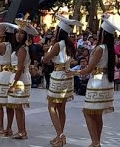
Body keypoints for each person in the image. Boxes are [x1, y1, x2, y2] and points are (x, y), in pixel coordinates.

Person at [67, 15, 120, 147]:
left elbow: (89, 68)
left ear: (103, 33)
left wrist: (74, 72)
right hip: (106, 82)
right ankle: (97, 141)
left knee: (88, 112)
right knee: (97, 114)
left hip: (97, 82)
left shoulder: (100, 48)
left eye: (99, 31)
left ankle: (95, 142)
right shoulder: (110, 48)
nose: (97, 33)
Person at [42, 14, 83, 146]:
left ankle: (60, 136)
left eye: (55, 30)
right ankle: (60, 135)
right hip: (67, 76)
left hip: (58, 76)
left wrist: (50, 47)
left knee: (52, 107)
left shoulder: (58, 44)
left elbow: (46, 59)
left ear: (59, 31)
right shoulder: (70, 44)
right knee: (61, 108)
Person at [7, 16, 38, 140]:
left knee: (18, 107)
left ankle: (22, 131)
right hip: (20, 78)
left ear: (26, 35)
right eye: (17, 32)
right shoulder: (21, 48)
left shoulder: (22, 50)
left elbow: (19, 69)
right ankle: (21, 131)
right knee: (18, 107)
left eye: (21, 33)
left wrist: (13, 84)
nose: (18, 35)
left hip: (20, 79)